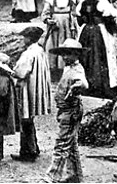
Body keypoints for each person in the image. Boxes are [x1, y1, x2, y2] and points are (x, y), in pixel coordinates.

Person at [46, 39, 88, 183]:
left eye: (68, 54)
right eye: (63, 54)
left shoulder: (77, 70)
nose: (64, 57)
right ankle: (74, 175)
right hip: (65, 110)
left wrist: (77, 86)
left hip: (71, 110)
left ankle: (52, 177)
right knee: (70, 144)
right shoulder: (68, 68)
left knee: (62, 144)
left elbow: (83, 82)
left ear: (76, 54)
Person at [12, 26, 51, 163]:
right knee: (29, 119)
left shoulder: (28, 54)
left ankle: (28, 152)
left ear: (29, 38)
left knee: (25, 120)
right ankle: (33, 148)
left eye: (25, 37)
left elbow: (21, 72)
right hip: (36, 89)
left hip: (27, 89)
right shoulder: (40, 50)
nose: (23, 40)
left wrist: (12, 72)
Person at [75, 0, 117, 99]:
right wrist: (115, 29)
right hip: (99, 32)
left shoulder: (82, 3)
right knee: (100, 57)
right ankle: (100, 86)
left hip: (85, 32)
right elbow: (111, 18)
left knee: (87, 57)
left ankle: (88, 85)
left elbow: (79, 19)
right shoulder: (102, 3)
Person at [41, 0, 79, 81]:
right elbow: (45, 13)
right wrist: (48, 20)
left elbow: (76, 11)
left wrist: (73, 20)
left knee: (67, 45)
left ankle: (65, 70)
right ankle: (54, 71)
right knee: (53, 45)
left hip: (67, 25)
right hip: (55, 26)